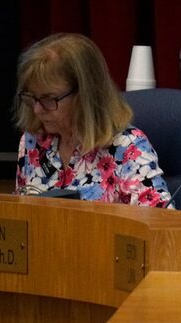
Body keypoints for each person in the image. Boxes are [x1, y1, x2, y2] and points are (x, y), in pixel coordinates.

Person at [13, 33, 172, 207]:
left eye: (48, 99)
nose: (37, 109)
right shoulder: (33, 141)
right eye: (32, 98)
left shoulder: (127, 147)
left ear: (85, 95)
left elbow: (162, 224)